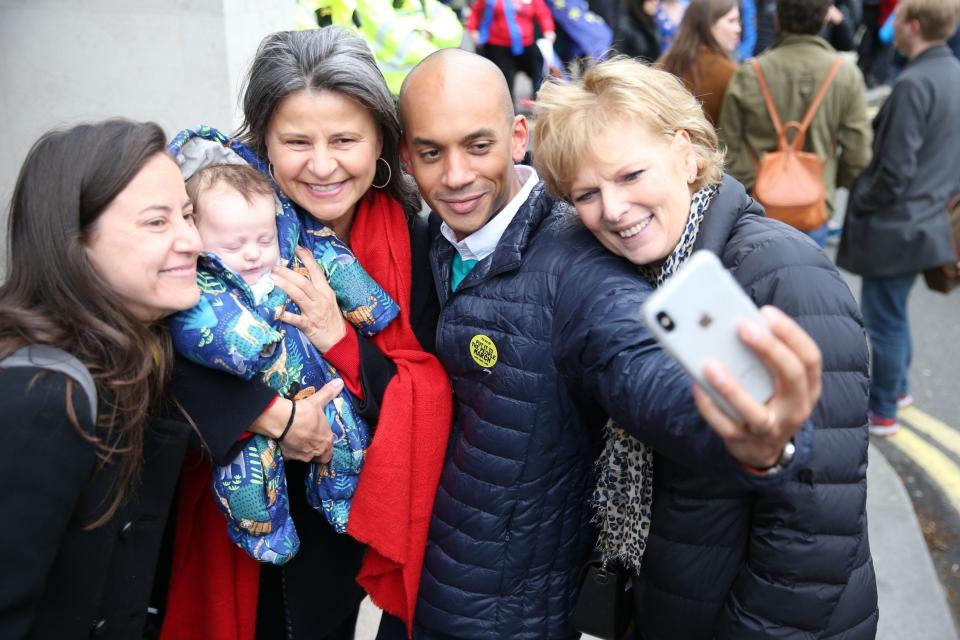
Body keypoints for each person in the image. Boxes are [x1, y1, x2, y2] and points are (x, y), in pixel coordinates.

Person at [384, 47, 821, 639]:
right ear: (408, 157)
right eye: (432, 153)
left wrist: (750, 433)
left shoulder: (576, 267)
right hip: (415, 587)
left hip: (506, 617)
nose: (456, 175)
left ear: (518, 137)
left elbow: (637, 362)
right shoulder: (426, 234)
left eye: (478, 146)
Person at [533, 56, 878, 639]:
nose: (613, 210)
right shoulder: (640, 274)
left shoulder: (782, 275)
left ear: (687, 152)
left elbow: (813, 529)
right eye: (586, 194)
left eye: (630, 175)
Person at [160, 27, 453, 640]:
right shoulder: (204, 218)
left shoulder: (416, 240)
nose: (322, 165)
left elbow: (427, 380)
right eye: (296, 141)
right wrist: (269, 414)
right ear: (263, 140)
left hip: (342, 508)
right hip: (227, 501)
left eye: (344, 139)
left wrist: (337, 339)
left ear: (381, 142)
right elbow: (160, 339)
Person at [0, 120, 202, 637]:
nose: (193, 241)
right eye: (157, 223)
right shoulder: (40, 396)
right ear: (74, 240)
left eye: (187, 215)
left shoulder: (137, 357)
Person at [837, 0, 960, 436]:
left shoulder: (913, 84)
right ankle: (901, 388)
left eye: (898, 20)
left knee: (882, 320)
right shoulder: (952, 74)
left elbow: (895, 170)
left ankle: (884, 408)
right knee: (894, 313)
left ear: (915, 25)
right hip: (929, 223)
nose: (892, 28)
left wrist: (862, 197)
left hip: (897, 226)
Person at [719, 0, 871, 246]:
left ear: (777, 18)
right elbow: (858, 154)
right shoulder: (846, 74)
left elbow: (728, 148)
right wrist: (828, 181)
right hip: (814, 206)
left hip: (760, 205)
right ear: (825, 19)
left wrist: (753, 185)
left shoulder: (750, 74)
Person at [296, 0, 463, 95]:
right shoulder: (311, 5)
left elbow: (455, 31)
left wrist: (428, 33)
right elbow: (394, 39)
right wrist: (438, 54)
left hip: (428, 89)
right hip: (372, 93)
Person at [658, 0, 741, 126]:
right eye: (731, 21)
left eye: (738, 21)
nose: (738, 28)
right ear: (708, 24)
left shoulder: (665, 62)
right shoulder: (728, 73)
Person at [466, 0, 556, 101]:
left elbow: (543, 13)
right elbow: (476, 12)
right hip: (499, 46)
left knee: (539, 74)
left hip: (526, 44)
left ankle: (539, 103)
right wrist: (473, 30)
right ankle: (509, 111)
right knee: (505, 82)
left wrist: (548, 30)